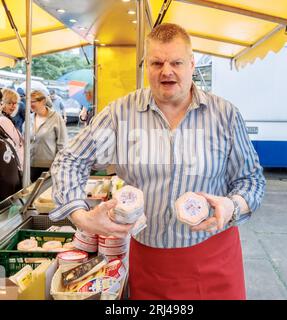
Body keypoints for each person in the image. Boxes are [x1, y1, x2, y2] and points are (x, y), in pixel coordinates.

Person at [50, 23, 265, 300]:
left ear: (191, 63)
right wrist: (81, 216)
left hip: (215, 256)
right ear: (145, 65)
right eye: (157, 62)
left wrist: (232, 205)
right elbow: (70, 159)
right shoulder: (120, 113)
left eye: (176, 62)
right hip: (149, 261)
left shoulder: (224, 114)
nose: (166, 71)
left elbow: (251, 179)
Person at [29, 90, 67, 182]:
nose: (30, 104)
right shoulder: (29, 118)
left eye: (33, 101)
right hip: (30, 166)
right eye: (28, 102)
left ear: (43, 101)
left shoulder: (56, 118)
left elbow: (62, 144)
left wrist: (59, 165)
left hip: (49, 166)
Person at [0, 88, 24, 170]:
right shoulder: (4, 120)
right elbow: (14, 144)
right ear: (2, 103)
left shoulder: (8, 119)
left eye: (15, 103)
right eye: (9, 103)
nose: (13, 106)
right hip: (13, 165)